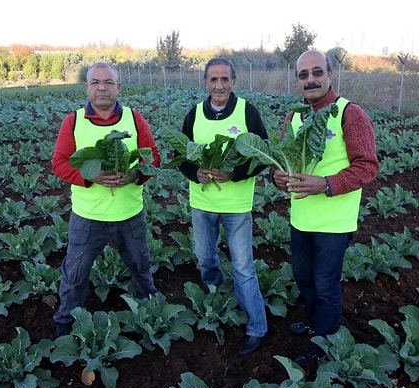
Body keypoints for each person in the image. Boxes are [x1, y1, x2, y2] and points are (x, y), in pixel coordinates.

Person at [271, 50, 379, 368]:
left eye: (317, 72)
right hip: (301, 217)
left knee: (325, 283)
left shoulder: (349, 114)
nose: (311, 80)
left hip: (334, 221)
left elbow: (368, 166)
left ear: (330, 75)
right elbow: (281, 160)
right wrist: (276, 176)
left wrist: (326, 184)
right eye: (303, 75)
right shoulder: (295, 117)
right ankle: (312, 320)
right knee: (303, 278)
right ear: (298, 81)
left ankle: (323, 343)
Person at [52, 62, 160, 337]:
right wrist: (92, 175)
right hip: (89, 216)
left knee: (141, 266)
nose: (102, 87)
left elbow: (153, 158)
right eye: (96, 82)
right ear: (87, 88)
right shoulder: (73, 121)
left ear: (118, 88)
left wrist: (135, 173)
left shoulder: (134, 119)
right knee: (75, 272)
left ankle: (150, 314)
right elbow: (60, 164)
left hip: (129, 214)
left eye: (108, 82)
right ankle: (65, 323)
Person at [179, 57, 268, 356]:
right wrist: (196, 173)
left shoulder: (247, 113)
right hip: (202, 203)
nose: (219, 85)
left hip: (236, 206)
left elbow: (262, 156)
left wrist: (235, 174)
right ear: (205, 82)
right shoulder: (194, 115)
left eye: (224, 79)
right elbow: (182, 157)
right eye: (213, 79)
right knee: (205, 259)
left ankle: (257, 327)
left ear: (233, 81)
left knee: (243, 267)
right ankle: (218, 297)